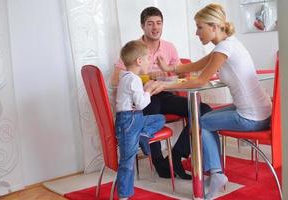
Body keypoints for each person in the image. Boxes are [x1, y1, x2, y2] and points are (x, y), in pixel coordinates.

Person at [156, 3, 272, 199]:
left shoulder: (224, 48)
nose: (196, 32)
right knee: (205, 117)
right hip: (262, 112)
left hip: (251, 117)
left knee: (202, 122)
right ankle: (216, 173)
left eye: (200, 27)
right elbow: (198, 65)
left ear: (214, 27)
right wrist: (169, 68)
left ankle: (216, 174)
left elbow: (200, 79)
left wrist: (163, 86)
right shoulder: (228, 44)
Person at [111, 6, 212, 180]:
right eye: (150, 23)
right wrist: (147, 77)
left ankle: (176, 154)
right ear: (142, 26)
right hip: (143, 97)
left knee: (203, 110)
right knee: (152, 106)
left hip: (165, 94)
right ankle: (158, 161)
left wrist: (168, 73)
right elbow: (115, 81)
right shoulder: (133, 48)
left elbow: (181, 74)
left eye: (158, 23)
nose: (155, 27)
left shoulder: (169, 47)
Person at [115, 40, 166, 200]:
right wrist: (149, 90)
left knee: (159, 118)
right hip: (129, 121)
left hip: (133, 119)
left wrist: (144, 91)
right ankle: (124, 196)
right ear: (139, 61)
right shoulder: (134, 79)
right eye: (147, 59)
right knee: (127, 160)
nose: (149, 62)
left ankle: (144, 134)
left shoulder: (126, 77)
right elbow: (141, 103)